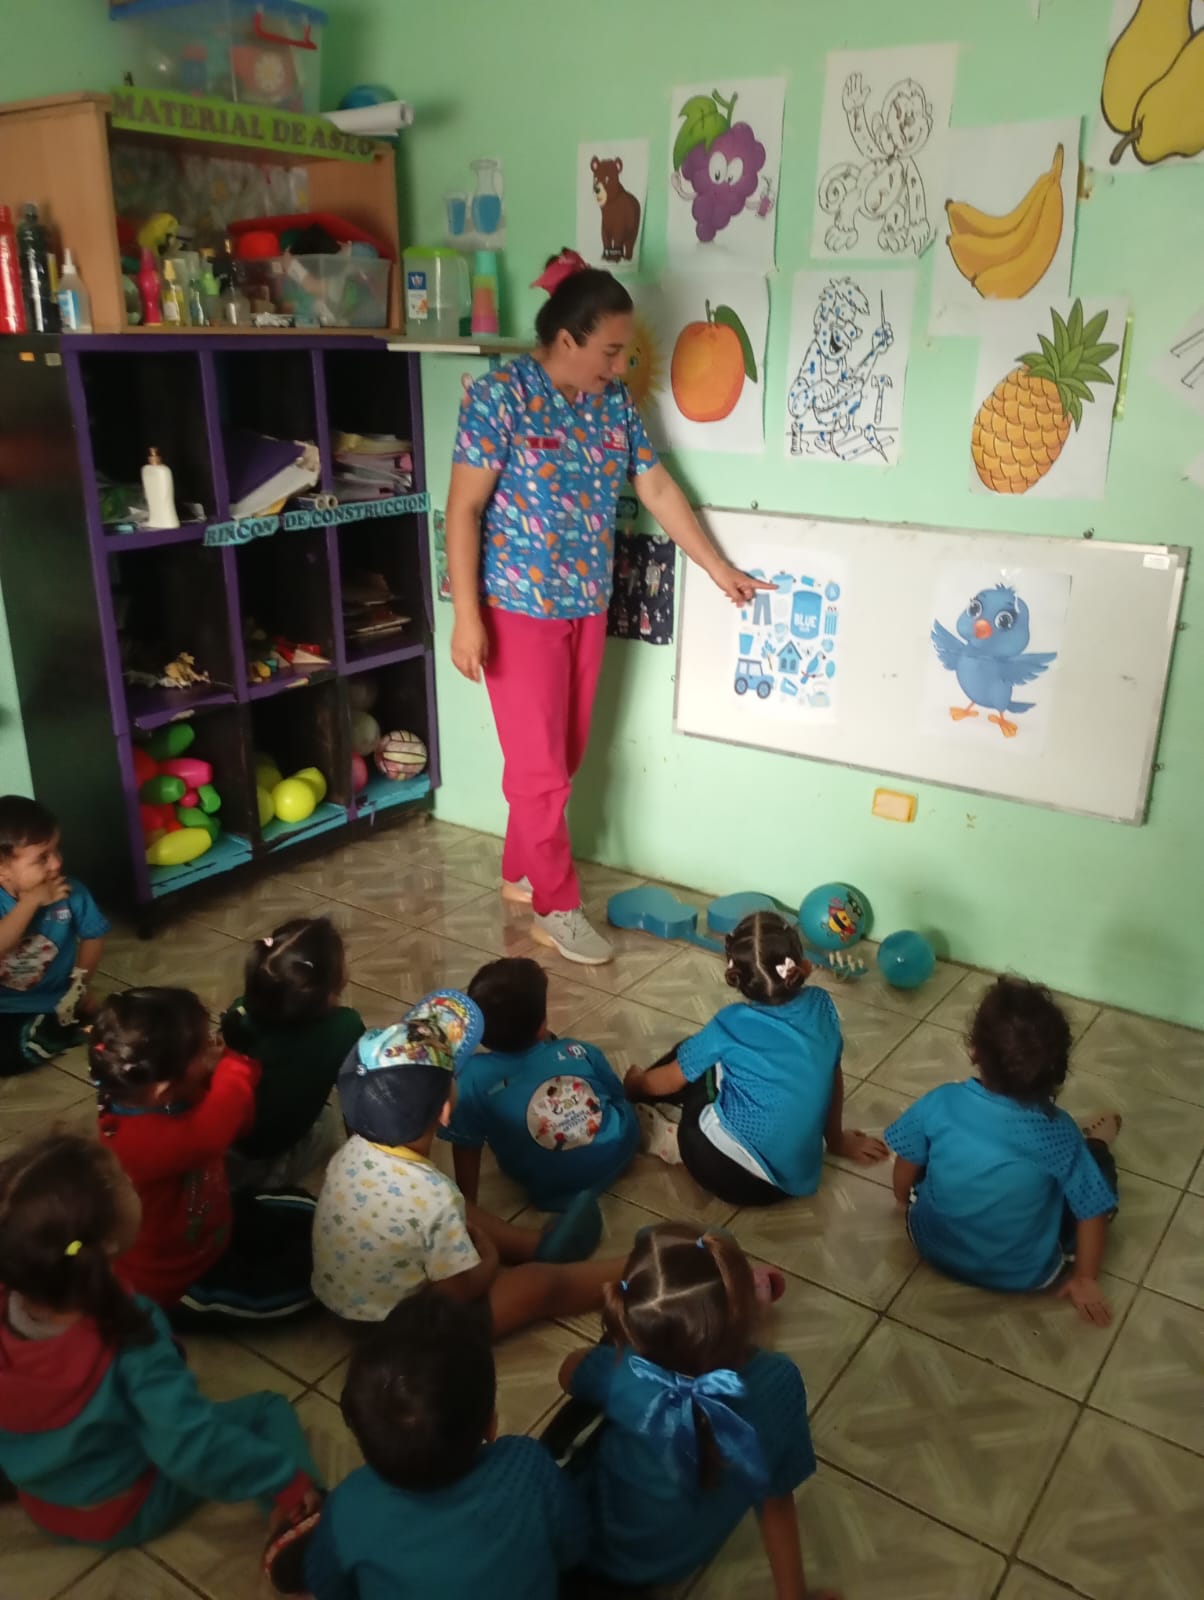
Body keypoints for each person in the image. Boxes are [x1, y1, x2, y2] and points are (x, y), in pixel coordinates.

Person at [445, 247, 773, 967]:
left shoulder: (613, 405)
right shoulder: (499, 398)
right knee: (541, 770)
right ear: (567, 339)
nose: (621, 365)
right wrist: (467, 617)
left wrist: (718, 568)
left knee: (558, 757)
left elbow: (656, 487)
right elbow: (463, 509)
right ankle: (556, 908)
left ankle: (520, 872)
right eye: (611, 351)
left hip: (586, 603)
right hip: (516, 607)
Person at [0, 1132, 321, 1592]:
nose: (133, 1181)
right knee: (267, 1410)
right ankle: (302, 1519)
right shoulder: (130, 1330)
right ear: (108, 1242)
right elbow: (189, 1448)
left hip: (46, 1506)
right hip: (124, 1511)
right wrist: (283, 1479)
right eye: (123, 1181)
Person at [311, 990, 627, 1340]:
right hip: (402, 1336)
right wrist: (487, 1264)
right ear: (446, 1110)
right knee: (537, 1285)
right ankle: (635, 1270)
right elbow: (454, 1293)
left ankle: (533, 1244)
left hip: (343, 1308)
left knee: (455, 1209)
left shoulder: (350, 1153)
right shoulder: (435, 1195)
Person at [549, 1224, 836, 1599]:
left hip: (596, 1548)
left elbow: (568, 1373)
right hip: (677, 1561)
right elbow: (777, 1499)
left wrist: (614, 1351)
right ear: (747, 1312)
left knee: (541, 1455)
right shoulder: (780, 1381)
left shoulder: (626, 1372)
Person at [305, 1288, 588, 1600]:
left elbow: (329, 1589)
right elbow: (573, 1547)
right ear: (491, 1425)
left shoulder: (347, 1508)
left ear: (361, 1437)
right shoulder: (527, 1465)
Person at [884, 974, 1122, 1326]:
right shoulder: (1060, 1133)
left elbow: (906, 1164)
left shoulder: (942, 1101)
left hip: (931, 1244)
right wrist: (1085, 1279)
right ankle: (1098, 1143)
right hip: (1021, 1272)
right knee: (1094, 1177)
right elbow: (1092, 1209)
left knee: (932, 1150)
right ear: (1055, 1068)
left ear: (974, 1051)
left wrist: (902, 1199)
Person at [623, 911, 887, 1206]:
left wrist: (636, 1083)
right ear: (801, 967)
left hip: (719, 1170)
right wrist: (836, 1141)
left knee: (694, 1055)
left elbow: (672, 1078)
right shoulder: (820, 1004)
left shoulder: (729, 1023)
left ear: (736, 978)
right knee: (711, 1058)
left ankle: (660, 1133)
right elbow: (831, 1075)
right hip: (789, 1184)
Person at [91, 987, 317, 1327]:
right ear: (164, 1088)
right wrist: (234, 1064)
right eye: (201, 1048)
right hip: (177, 1275)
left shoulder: (148, 1096)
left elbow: (239, 1120)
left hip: (210, 1219)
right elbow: (220, 1125)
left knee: (303, 1212)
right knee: (295, 1288)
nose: (212, 1046)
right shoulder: (143, 1142)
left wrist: (210, 1072)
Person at [439, 956, 638, 1211]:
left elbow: (465, 1143)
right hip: (620, 1149)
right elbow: (616, 1093)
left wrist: (468, 1205)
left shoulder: (471, 1078)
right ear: (541, 1026)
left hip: (551, 1186)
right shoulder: (578, 1050)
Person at [221, 917, 364, 1191]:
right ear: (326, 991)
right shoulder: (346, 1026)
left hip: (228, 1143)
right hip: (273, 1153)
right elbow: (355, 1098)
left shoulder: (240, 1011)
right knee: (326, 1122)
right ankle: (272, 1182)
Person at [0, 795, 109, 1077]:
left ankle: (54, 1033)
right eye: (42, 858)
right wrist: (30, 902)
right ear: (2, 871)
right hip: (3, 1005)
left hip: (51, 1002)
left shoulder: (72, 893)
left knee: (19, 1048)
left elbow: (94, 935)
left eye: (56, 850)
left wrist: (79, 986)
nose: (57, 863)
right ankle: (48, 1036)